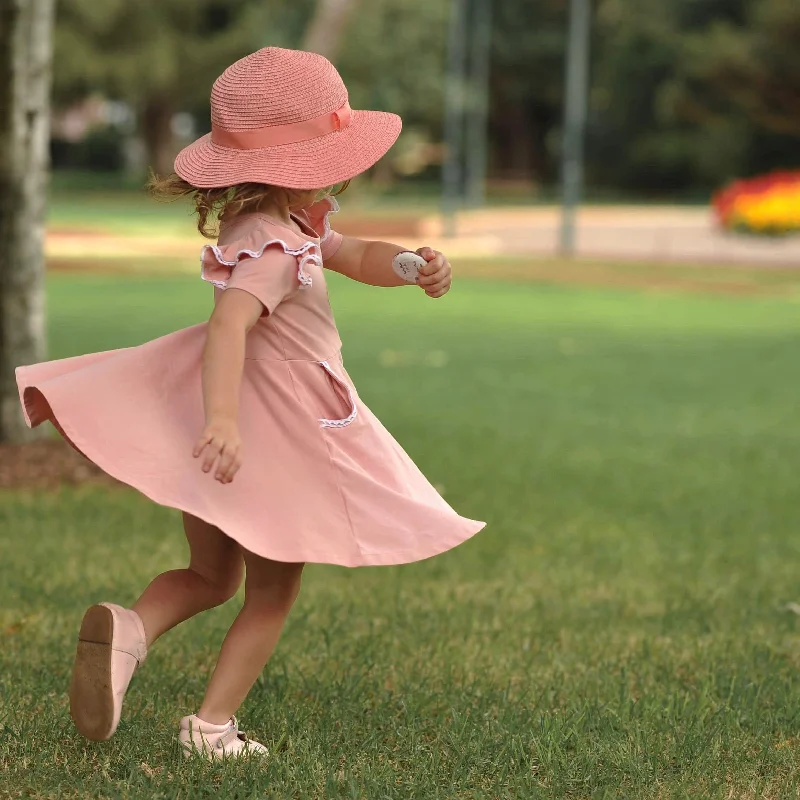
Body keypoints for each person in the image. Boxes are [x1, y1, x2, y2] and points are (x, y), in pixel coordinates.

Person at [15, 47, 484, 760]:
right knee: (270, 593)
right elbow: (230, 323)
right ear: (313, 160)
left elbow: (355, 254)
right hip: (268, 436)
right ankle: (210, 730)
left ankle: (130, 632)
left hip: (221, 435)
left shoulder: (276, 226)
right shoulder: (278, 250)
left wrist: (412, 265)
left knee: (210, 576)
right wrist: (226, 423)